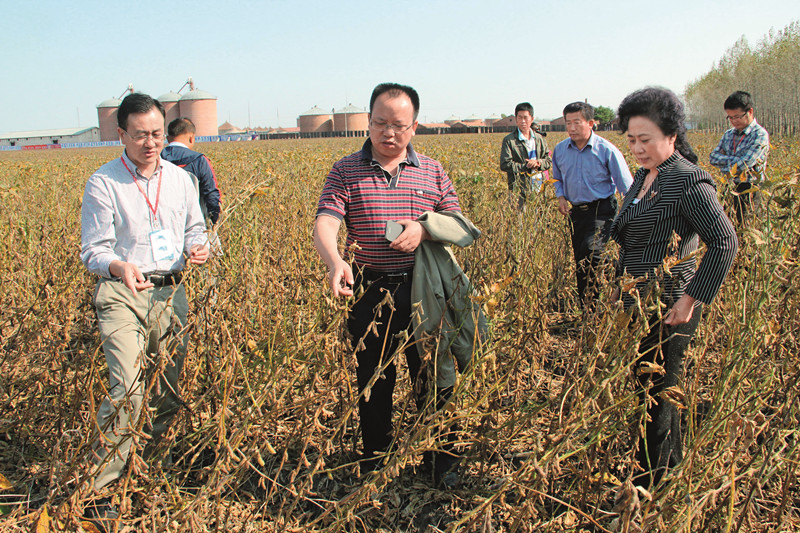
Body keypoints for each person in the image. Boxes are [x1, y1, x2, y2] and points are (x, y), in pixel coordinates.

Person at [313, 82, 463, 488]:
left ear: (414, 126)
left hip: (423, 288)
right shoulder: (346, 169)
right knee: (374, 378)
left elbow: (460, 223)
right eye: (380, 123)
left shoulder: (431, 170)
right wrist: (335, 260)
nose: (388, 133)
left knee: (432, 374)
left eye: (398, 125)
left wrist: (424, 229)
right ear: (368, 122)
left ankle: (442, 459)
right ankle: (375, 459)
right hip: (369, 288)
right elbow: (327, 220)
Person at [80, 93, 210, 530]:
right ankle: (100, 489)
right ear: (121, 135)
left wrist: (199, 246)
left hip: (171, 292)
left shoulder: (180, 179)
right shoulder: (103, 183)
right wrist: (119, 265)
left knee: (167, 390)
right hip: (121, 293)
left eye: (156, 133)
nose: (150, 143)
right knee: (129, 390)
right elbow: (93, 250)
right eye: (140, 136)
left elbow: (196, 226)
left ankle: (154, 470)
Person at [612, 87, 738, 489]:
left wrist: (690, 299)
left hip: (670, 304)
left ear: (671, 135)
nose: (637, 148)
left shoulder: (687, 181)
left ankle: (653, 486)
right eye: (631, 140)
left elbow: (724, 242)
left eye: (645, 139)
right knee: (648, 387)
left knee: (660, 392)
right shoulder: (646, 177)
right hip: (638, 301)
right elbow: (631, 237)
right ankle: (665, 467)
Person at [551, 102, 633, 306]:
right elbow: (557, 178)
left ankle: (612, 281)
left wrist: (628, 213)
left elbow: (627, 186)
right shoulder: (561, 150)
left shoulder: (606, 150)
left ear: (591, 123)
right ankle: (587, 308)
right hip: (576, 213)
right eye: (568, 123)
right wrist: (561, 197)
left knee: (591, 251)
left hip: (602, 210)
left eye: (576, 123)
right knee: (581, 260)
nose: (571, 128)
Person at [709, 90, 770, 224]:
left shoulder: (759, 135)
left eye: (737, 116)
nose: (733, 121)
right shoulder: (729, 134)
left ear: (750, 112)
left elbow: (745, 164)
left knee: (747, 226)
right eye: (730, 117)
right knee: (728, 226)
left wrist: (725, 165)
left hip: (750, 189)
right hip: (730, 187)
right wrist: (735, 163)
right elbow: (713, 157)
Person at [161, 117, 222, 225]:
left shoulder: (156, 159)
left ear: (168, 138)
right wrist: (214, 220)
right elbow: (211, 194)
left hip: (163, 225)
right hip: (194, 226)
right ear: (191, 138)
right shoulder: (199, 161)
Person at [500, 102, 551, 209]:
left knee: (538, 219)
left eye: (526, 118)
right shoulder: (510, 140)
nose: (523, 121)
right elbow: (505, 164)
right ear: (516, 119)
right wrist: (526, 166)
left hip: (539, 187)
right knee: (520, 220)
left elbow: (548, 161)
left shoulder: (539, 139)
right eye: (520, 118)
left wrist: (538, 163)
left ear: (531, 119)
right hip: (519, 189)